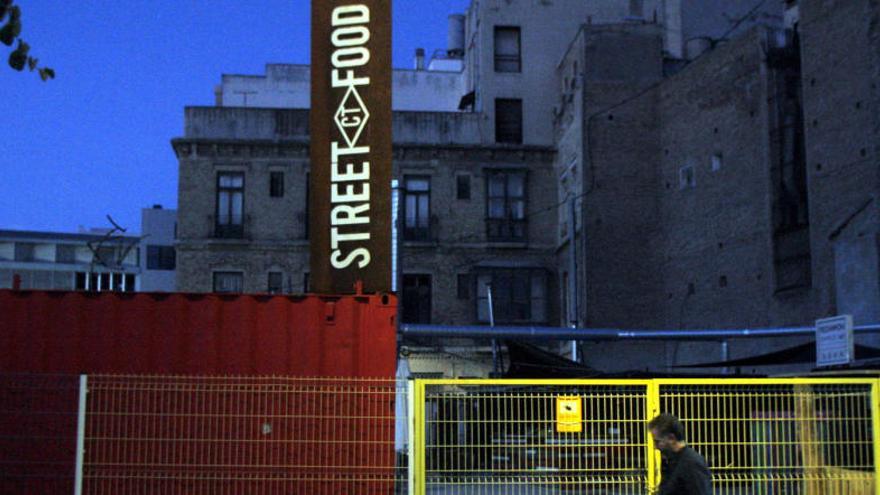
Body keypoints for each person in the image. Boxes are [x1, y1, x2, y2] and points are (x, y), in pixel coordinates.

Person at [648, 413, 712, 495]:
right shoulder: (672, 461)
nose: (655, 447)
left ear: (671, 438)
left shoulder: (692, 463)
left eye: (657, 441)